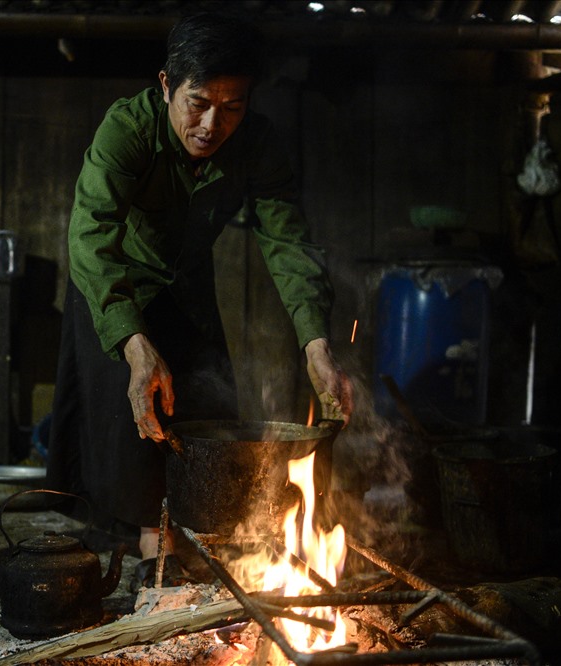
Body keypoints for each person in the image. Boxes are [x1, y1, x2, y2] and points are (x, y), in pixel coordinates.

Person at [46, 12, 354, 588]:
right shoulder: (127, 129)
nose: (212, 124)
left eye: (232, 106)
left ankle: (194, 539)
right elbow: (90, 236)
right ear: (166, 85)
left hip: (186, 284)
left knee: (208, 417)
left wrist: (317, 347)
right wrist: (136, 346)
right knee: (131, 419)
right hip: (112, 285)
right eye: (198, 102)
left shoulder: (258, 145)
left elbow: (289, 243)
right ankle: (148, 546)